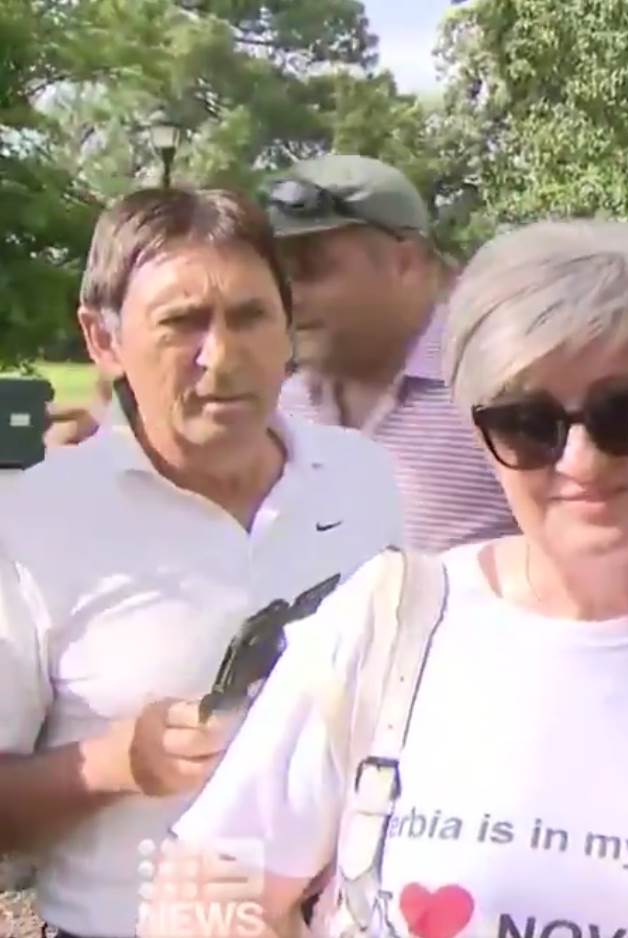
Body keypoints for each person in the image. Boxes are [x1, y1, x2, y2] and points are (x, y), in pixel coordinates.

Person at [159, 219, 628, 937]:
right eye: (530, 424)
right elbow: (203, 888)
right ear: (480, 434)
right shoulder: (389, 620)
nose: (582, 462)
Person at [0, 188, 403, 938]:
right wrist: (117, 762)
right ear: (103, 340)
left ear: (288, 326)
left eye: (250, 316)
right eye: (181, 322)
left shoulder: (363, 479)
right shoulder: (28, 523)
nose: (220, 356)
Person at [264, 154, 518, 553]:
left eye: (311, 269)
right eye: (278, 276)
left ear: (406, 262)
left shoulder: (501, 388)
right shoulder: (276, 412)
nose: (288, 297)